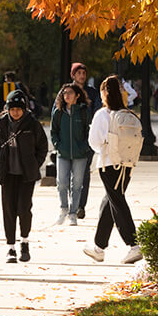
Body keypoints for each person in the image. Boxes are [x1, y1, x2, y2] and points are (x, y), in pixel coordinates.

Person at [82, 76, 143, 265]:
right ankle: (99, 248)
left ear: (104, 93)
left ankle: (133, 245)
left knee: (117, 202)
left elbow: (94, 142)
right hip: (127, 164)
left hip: (109, 164)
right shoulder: (128, 113)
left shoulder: (102, 114)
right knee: (108, 203)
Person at [0, 90, 48, 263]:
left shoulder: (32, 124)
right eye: (12, 109)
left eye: (19, 109)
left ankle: (25, 242)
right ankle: (11, 248)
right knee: (8, 211)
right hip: (7, 175)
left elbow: (42, 146)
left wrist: (35, 164)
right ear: (7, 108)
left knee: (24, 208)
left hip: (26, 175)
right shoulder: (1, 125)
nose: (15, 112)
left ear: (24, 109)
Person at [51, 83, 91, 226]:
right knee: (62, 182)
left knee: (77, 185)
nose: (66, 95)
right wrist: (57, 145)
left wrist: (84, 146)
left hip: (80, 154)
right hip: (63, 153)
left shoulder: (84, 112)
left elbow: (89, 131)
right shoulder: (59, 112)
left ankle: (73, 214)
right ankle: (63, 209)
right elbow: (53, 131)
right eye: (64, 93)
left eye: (70, 93)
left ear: (77, 95)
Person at [67, 63, 100, 220]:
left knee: (84, 172)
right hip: (70, 137)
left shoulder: (93, 93)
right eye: (78, 73)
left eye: (83, 73)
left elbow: (98, 112)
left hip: (87, 138)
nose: (82, 75)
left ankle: (80, 206)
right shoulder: (66, 92)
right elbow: (58, 112)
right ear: (73, 75)